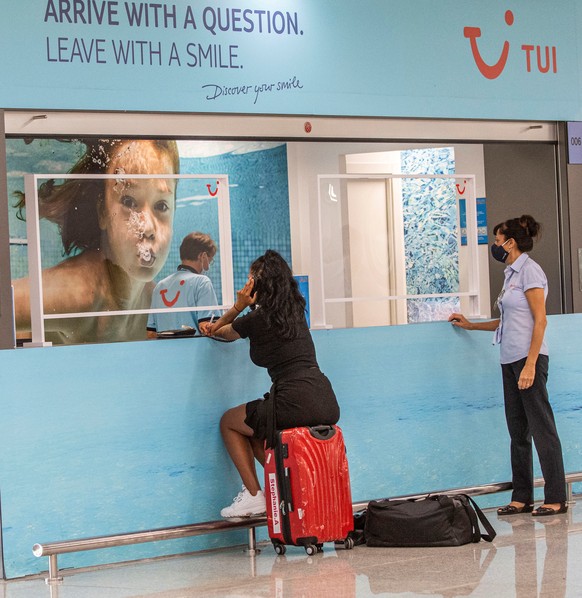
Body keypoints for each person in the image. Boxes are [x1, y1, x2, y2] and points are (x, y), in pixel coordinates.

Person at [200, 249, 340, 518]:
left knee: (230, 421)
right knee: (255, 430)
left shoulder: (257, 319)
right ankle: (291, 487)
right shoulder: (296, 312)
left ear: (257, 285)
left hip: (294, 400)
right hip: (324, 397)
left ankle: (254, 497)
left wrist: (238, 306)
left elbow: (219, 331)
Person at [449, 215, 567, 517]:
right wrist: (472, 327)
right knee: (518, 432)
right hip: (509, 359)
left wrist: (530, 365)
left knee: (543, 430)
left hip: (530, 360)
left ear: (510, 242)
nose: (495, 245)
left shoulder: (530, 271)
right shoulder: (510, 275)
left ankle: (555, 497)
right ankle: (522, 496)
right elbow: (510, 322)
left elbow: (540, 320)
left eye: (498, 240)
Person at [12, 139, 179, 344]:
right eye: (128, 201)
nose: (147, 228)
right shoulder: (77, 293)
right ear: (103, 212)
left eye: (161, 206)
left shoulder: (155, 299)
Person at [147, 232, 220, 337]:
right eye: (210, 260)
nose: (208, 267)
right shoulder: (202, 283)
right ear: (203, 256)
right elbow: (209, 328)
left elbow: (151, 333)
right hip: (194, 351)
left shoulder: (159, 286)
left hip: (165, 351)